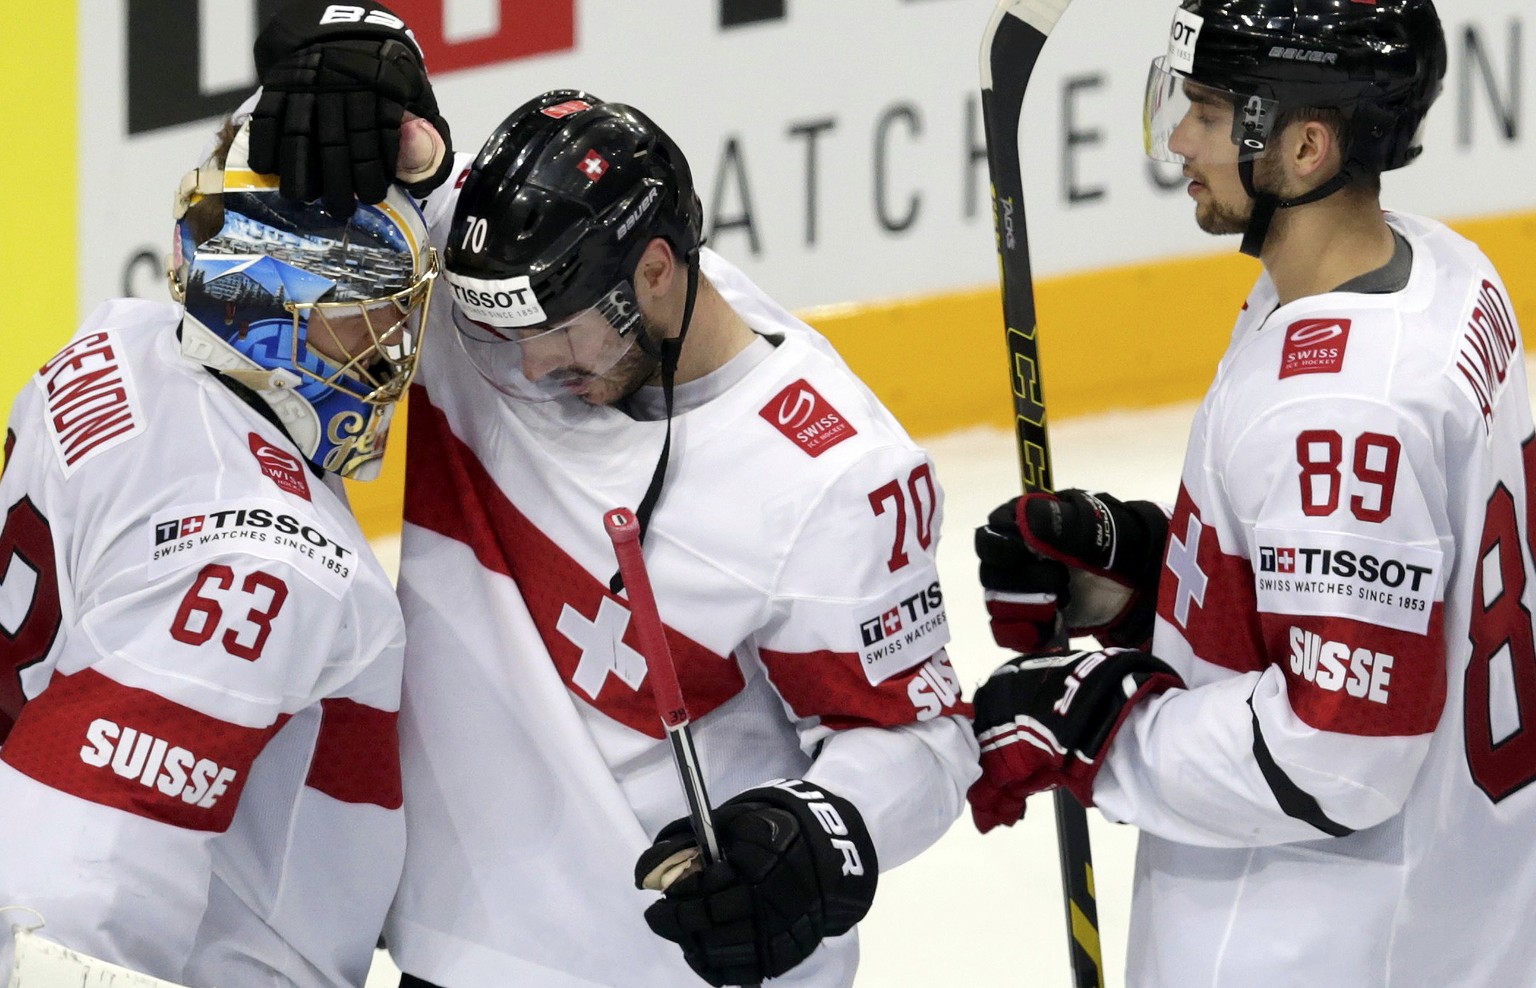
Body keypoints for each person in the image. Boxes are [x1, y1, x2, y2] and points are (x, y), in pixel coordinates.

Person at [246, 7, 981, 985]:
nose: (533, 363)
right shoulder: (505, 297)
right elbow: (358, 98)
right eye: (505, 333)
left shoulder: (830, 475)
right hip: (457, 946)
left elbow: (922, 739)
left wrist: (817, 830)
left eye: (564, 332)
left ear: (661, 271)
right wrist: (349, 50)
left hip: (680, 962)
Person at [968, 0, 1536, 984]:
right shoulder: (1439, 270)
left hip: (1319, 942)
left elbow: (1339, 750)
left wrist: (1106, 723)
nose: (1181, 140)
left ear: (1307, 146)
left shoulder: (1340, 406)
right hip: (1454, 904)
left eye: (1211, 113)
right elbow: (1393, 596)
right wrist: (1148, 584)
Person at [0, 115, 439, 987]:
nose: (394, 342)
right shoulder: (270, 560)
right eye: (368, 310)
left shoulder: (115, 343)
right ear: (275, 308)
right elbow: (78, 899)